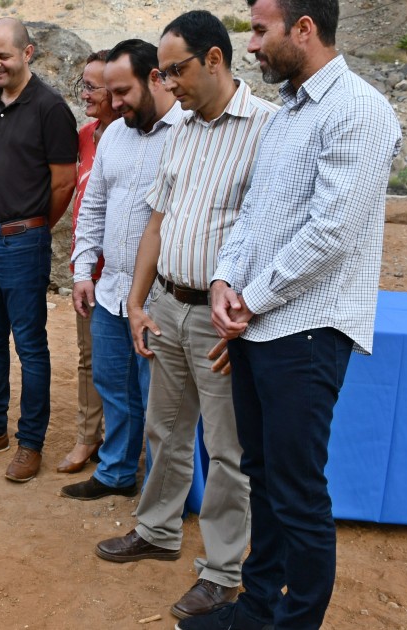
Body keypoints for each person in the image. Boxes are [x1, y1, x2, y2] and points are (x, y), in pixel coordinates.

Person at [182, 0, 402, 628]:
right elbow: (254, 216)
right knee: (264, 475)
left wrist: (251, 297)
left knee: (298, 491)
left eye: (259, 30)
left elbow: (333, 230)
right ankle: (256, 607)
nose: (250, 46)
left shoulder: (358, 109)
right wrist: (226, 278)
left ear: (303, 29)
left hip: (308, 329)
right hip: (261, 326)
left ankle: (295, 621)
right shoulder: (288, 116)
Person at [90, 11, 277, 621]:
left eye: (176, 70)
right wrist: (140, 303)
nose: (167, 83)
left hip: (224, 321)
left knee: (226, 452)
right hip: (169, 303)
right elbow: (158, 221)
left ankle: (223, 573)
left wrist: (245, 317)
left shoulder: (267, 130)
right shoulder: (185, 130)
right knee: (164, 428)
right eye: (162, 73)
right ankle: (157, 530)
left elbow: (271, 234)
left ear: (215, 60)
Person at [0, 18, 77, 483]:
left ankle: (30, 442)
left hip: (22, 244)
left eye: (3, 55)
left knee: (30, 345)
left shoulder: (51, 108)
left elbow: (63, 182)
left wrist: (32, 226)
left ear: (28, 53)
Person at [65, 39, 183, 500]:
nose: (113, 104)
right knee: (112, 385)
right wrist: (81, 272)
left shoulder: (188, 133)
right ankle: (115, 472)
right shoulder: (113, 135)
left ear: (155, 77)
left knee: (159, 400)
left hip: (160, 299)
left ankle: (158, 492)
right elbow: (91, 208)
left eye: (122, 93)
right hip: (110, 289)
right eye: (109, 94)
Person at [56, 49, 118, 475]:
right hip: (88, 272)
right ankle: (86, 438)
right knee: (88, 358)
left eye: (93, 87)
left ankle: (119, 443)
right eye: (84, 84)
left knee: (123, 363)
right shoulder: (83, 136)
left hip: (127, 274)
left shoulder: (140, 135)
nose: (85, 94)